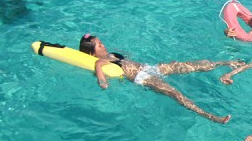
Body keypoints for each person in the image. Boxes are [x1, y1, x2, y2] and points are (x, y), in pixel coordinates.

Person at [78, 33, 240, 124]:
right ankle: (211, 117)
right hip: (142, 77)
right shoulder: (101, 61)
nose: (103, 45)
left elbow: (129, 57)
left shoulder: (111, 54)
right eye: (99, 45)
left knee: (189, 64)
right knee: (176, 94)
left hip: (149, 68)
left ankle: (225, 62)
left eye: (101, 42)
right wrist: (102, 78)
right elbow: (102, 81)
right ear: (92, 53)